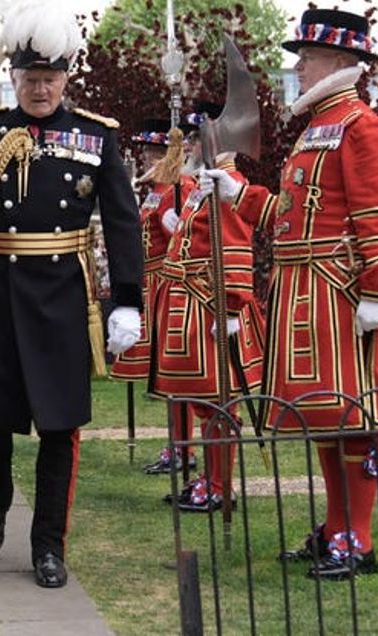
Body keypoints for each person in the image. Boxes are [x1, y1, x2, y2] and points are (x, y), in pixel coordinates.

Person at [201, 9, 378, 579]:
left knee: (356, 417)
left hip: (342, 296)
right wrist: (236, 192)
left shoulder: (361, 126)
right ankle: (336, 526)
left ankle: (359, 539)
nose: (297, 66)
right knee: (325, 417)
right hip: (305, 293)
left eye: (308, 56)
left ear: (341, 63)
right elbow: (290, 216)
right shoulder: (315, 128)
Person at [0, 0, 144, 588]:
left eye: (51, 78)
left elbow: (123, 221)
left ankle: (48, 545)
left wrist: (126, 299)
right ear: (14, 76)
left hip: (62, 294)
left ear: (65, 77)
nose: (40, 88)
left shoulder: (95, 136)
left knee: (60, 426)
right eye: (31, 78)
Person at [149, 101, 266, 512]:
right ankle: (210, 479)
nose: (192, 145)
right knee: (204, 402)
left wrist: (232, 310)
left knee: (219, 401)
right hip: (194, 307)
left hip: (213, 309)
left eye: (199, 138)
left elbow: (235, 251)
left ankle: (220, 485)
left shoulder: (227, 183)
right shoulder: (205, 185)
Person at [107, 119, 199, 475]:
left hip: (169, 284)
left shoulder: (180, 187)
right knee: (163, 374)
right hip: (151, 283)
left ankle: (184, 447)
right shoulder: (154, 189)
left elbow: (184, 240)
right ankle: (176, 443)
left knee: (174, 372)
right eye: (145, 152)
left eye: (153, 153)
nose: (145, 159)